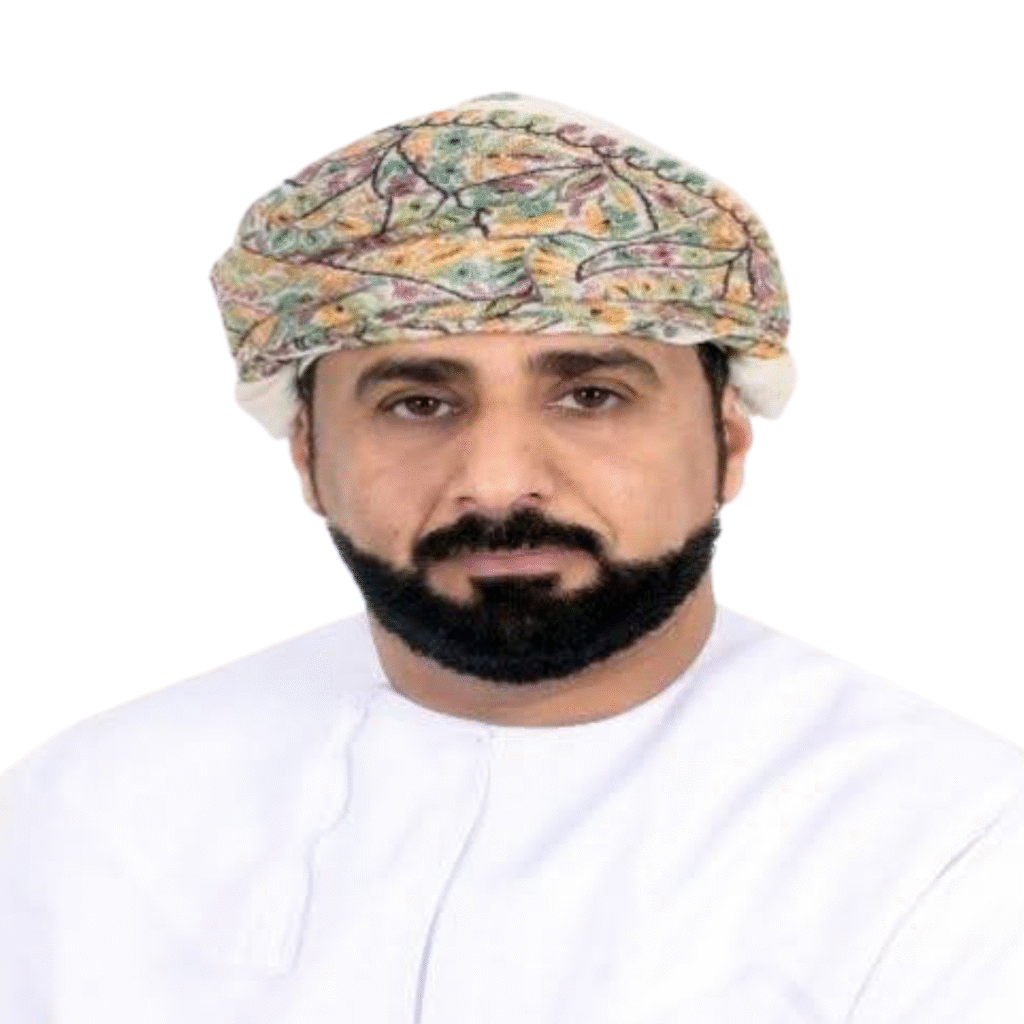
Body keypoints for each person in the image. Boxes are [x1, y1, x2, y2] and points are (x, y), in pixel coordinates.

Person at [1, 93, 1021, 1023]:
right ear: (309, 454)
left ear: (728, 438)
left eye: (591, 396)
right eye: (418, 403)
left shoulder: (952, 845)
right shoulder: (89, 811)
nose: (495, 483)